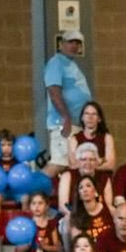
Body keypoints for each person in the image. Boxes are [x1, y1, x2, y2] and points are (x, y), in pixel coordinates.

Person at [43, 30, 92, 169]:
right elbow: (53, 92)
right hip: (63, 123)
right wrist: (66, 117)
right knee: (59, 163)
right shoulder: (56, 63)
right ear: (61, 44)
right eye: (71, 42)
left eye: (78, 42)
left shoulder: (71, 64)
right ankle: (33, 189)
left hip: (76, 124)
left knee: (70, 164)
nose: (74, 45)